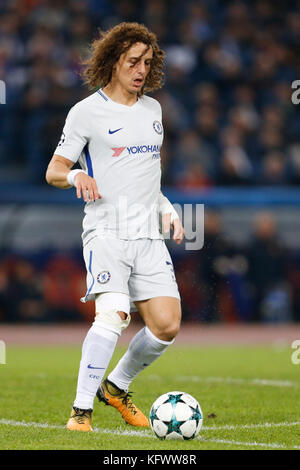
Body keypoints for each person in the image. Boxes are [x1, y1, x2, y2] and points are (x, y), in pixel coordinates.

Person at [46, 22, 184, 432]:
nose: (141, 70)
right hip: (106, 232)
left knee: (166, 325)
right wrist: (75, 177)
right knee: (114, 314)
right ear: (112, 62)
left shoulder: (153, 111)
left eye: (146, 62)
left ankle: (116, 388)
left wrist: (168, 208)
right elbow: (54, 170)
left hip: (148, 235)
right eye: (132, 62)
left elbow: (145, 175)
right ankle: (80, 413)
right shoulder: (86, 112)